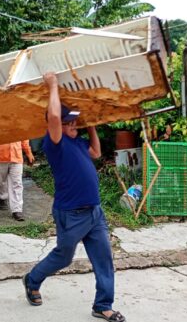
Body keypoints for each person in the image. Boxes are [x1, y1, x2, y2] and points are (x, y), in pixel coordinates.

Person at [22, 73, 126, 322]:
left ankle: (103, 305)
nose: (72, 126)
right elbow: (55, 116)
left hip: (94, 212)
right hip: (71, 213)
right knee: (64, 257)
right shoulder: (54, 143)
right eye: (69, 123)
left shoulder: (78, 142)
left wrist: (90, 124)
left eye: (74, 124)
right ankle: (33, 279)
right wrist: (53, 86)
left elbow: (97, 151)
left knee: (104, 259)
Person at [0, 141, 34, 221]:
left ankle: (17, 210)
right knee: (0, 182)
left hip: (16, 156)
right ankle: (2, 197)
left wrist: (28, 152)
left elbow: (24, 138)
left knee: (17, 183)